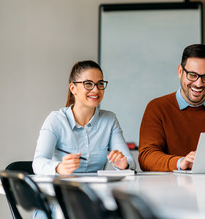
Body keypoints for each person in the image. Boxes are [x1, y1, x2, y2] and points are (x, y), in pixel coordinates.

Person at [33, 60, 135, 218]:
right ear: (73, 88)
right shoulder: (56, 120)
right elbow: (38, 162)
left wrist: (123, 164)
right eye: (88, 84)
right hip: (57, 202)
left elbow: (129, 160)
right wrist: (59, 168)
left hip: (92, 202)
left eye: (100, 84)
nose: (96, 89)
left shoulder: (109, 120)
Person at [138, 44, 205, 172]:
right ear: (180, 72)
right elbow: (146, 158)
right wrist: (180, 162)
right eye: (192, 75)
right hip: (171, 188)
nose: (198, 83)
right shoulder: (157, 108)